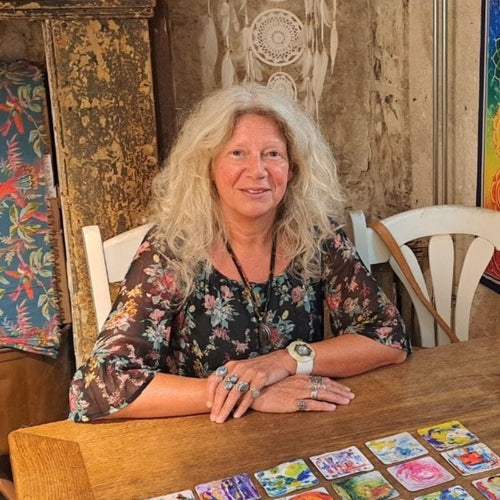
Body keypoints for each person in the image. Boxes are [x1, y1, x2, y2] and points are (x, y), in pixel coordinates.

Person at [69, 83, 410, 424]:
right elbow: (98, 386)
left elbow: (389, 337)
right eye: (237, 153)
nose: (257, 170)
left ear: (293, 169)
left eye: (272, 154)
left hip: (298, 430)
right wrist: (247, 392)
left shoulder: (316, 236)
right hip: (205, 435)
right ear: (208, 167)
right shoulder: (172, 249)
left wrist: (285, 361)